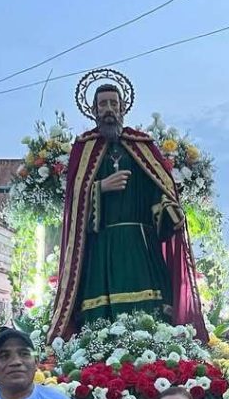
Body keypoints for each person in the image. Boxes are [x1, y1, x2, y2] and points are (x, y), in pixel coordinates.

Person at [48, 72, 206, 340]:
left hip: (141, 242)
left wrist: (169, 209)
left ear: (123, 107)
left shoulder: (141, 145)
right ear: (94, 110)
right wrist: (100, 187)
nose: (108, 109)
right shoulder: (84, 148)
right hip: (103, 245)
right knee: (102, 313)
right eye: (102, 104)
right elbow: (74, 202)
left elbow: (158, 187)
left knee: (150, 306)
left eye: (113, 103)